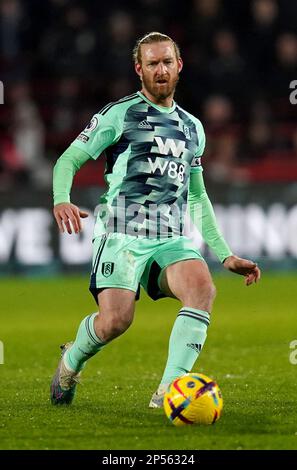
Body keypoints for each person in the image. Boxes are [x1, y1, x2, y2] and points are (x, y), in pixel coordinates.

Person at [50, 32, 261, 407]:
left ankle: (170, 390)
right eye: (152, 64)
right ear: (139, 69)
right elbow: (69, 159)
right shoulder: (120, 113)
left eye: (166, 62)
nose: (160, 70)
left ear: (179, 66)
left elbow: (196, 195)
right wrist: (61, 199)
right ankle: (71, 360)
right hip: (121, 232)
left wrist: (225, 253)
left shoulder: (193, 128)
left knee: (202, 289)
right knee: (115, 321)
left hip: (170, 236)